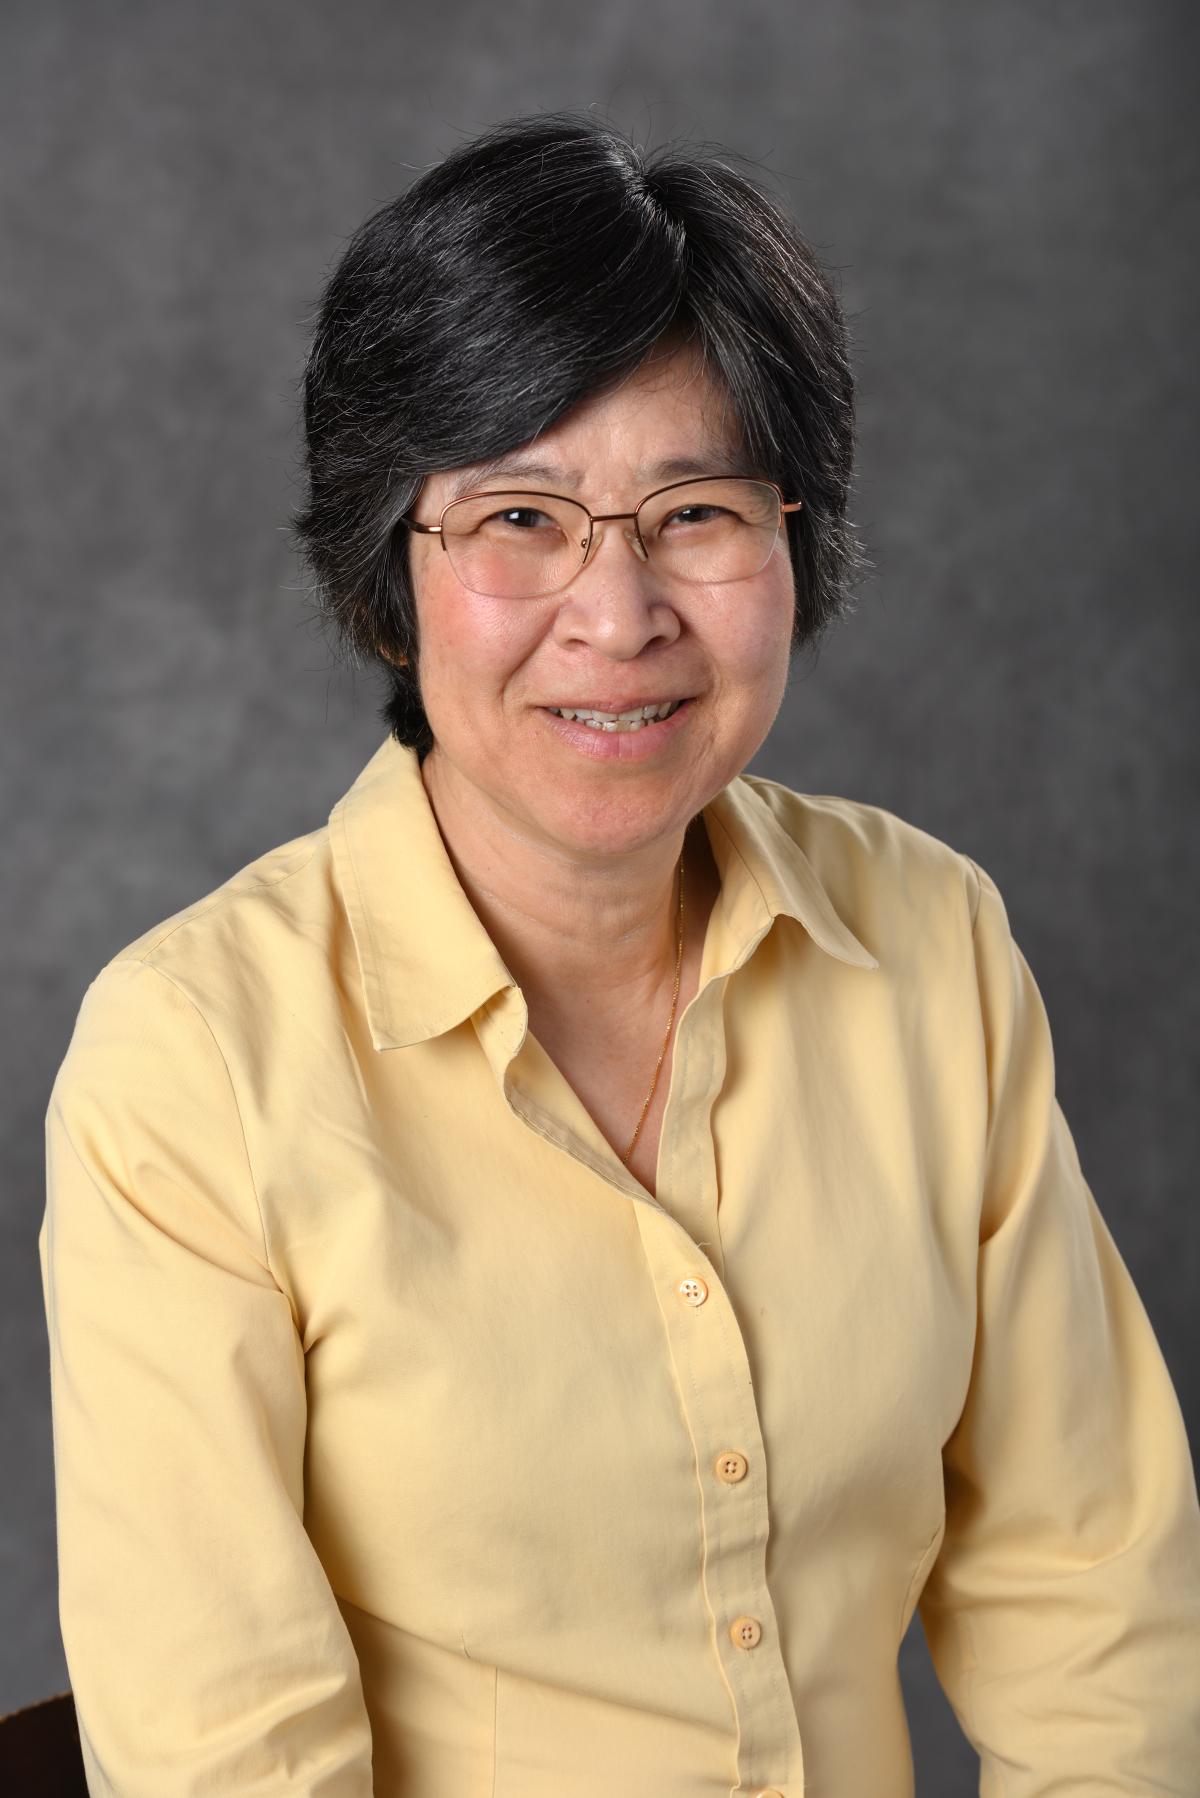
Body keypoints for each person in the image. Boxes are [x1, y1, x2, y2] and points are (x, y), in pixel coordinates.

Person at [39, 111, 1200, 1797]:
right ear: (392, 569)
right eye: (520, 517)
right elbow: (235, 1760)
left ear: (794, 542)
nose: (619, 610)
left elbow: (1091, 1604)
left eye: (698, 511)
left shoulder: (931, 940)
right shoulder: (191, 1061)